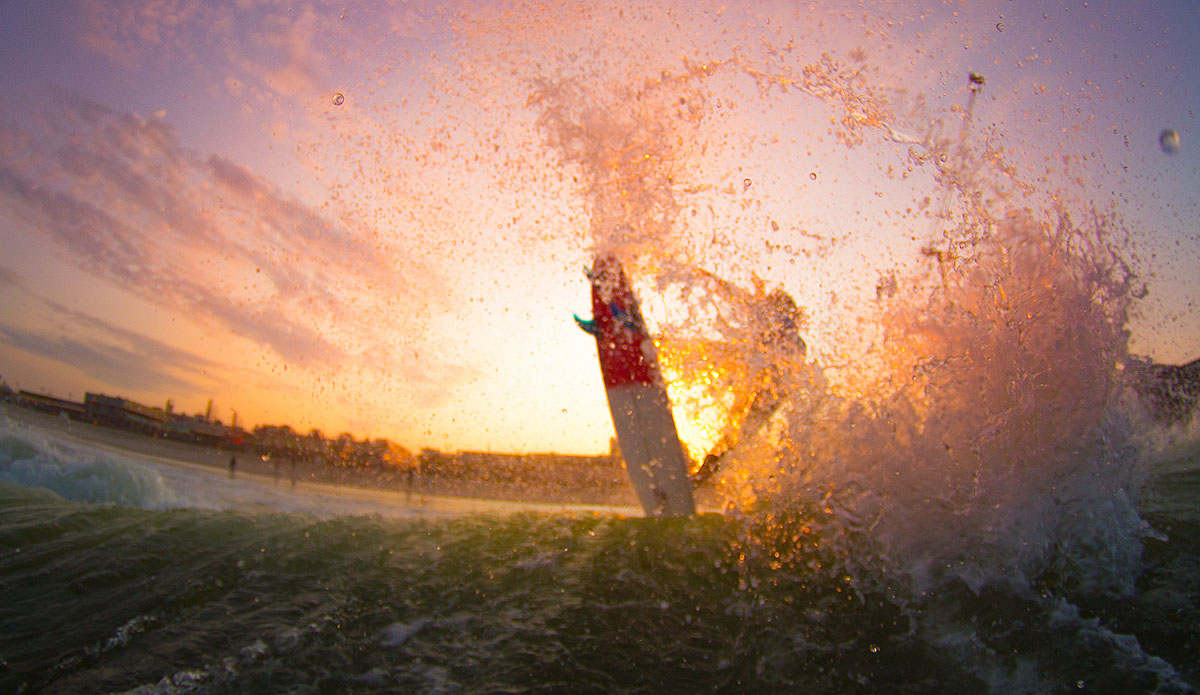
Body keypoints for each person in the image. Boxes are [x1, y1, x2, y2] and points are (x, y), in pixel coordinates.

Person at [691, 286, 806, 486]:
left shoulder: (782, 333)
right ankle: (703, 475)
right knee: (734, 436)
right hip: (762, 386)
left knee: (735, 435)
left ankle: (703, 476)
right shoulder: (785, 334)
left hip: (769, 392)